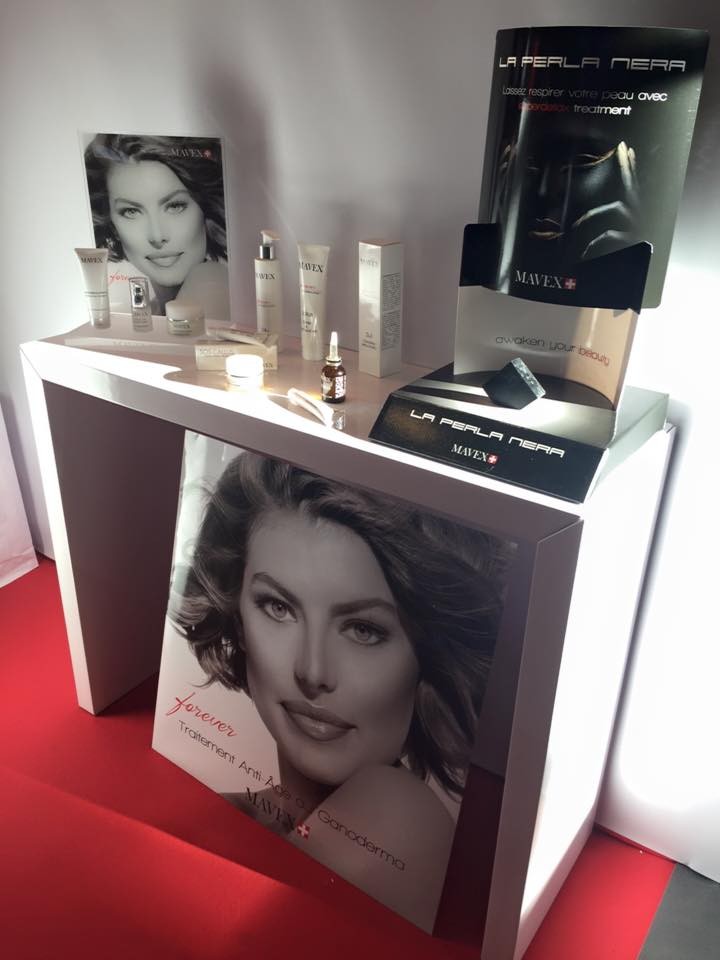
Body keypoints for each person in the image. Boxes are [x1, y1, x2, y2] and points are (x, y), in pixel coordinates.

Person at [170, 451, 508, 928]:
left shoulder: (401, 815)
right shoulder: (233, 808)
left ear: (427, 657)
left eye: (364, 630)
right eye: (278, 607)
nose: (312, 671)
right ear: (239, 619)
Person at [84, 134, 229, 318]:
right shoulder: (150, 314)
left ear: (205, 208)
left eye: (175, 206)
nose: (157, 236)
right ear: (111, 224)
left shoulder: (211, 281)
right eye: (131, 211)